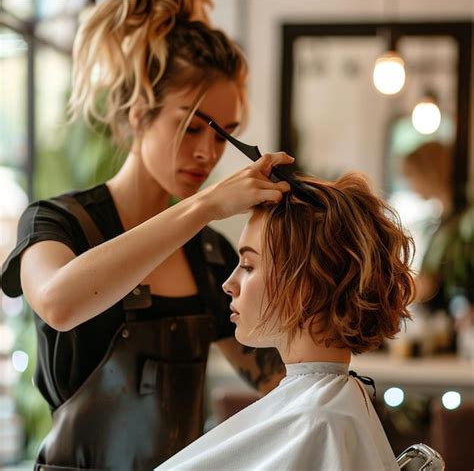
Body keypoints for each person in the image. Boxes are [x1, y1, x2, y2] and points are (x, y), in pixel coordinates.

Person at [0, 0, 291, 469]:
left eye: (224, 135)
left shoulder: (211, 256)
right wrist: (205, 206)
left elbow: (276, 381)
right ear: (139, 114)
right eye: (192, 127)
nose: (207, 153)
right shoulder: (57, 223)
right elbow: (59, 303)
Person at [157, 172, 415, 470]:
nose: (229, 283)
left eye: (249, 266)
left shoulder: (319, 421)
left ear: (309, 285)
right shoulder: (334, 407)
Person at [401, 141, 473, 314]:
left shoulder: (463, 220)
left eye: (411, 176)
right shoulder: (444, 219)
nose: (410, 185)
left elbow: (441, 279)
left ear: (428, 172)